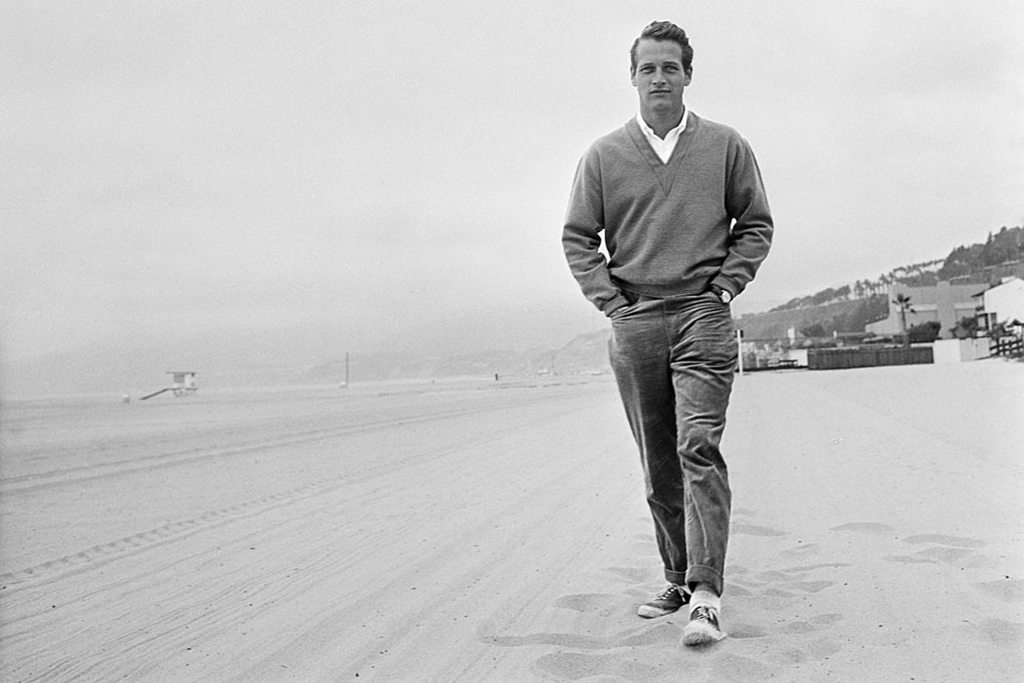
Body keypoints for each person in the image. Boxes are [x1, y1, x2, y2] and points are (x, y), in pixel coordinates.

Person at [562, 20, 773, 646]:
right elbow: (578, 237)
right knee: (658, 465)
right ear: (632, 76)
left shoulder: (726, 145)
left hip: (703, 317)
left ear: (687, 74)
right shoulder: (603, 156)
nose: (659, 78)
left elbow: (755, 223)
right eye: (648, 68)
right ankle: (678, 577)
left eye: (670, 67)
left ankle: (707, 594)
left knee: (697, 448)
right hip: (635, 323)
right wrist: (611, 303)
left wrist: (725, 288)